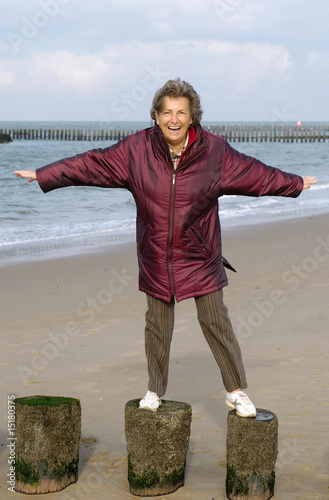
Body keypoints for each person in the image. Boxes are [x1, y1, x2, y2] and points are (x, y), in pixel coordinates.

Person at [15, 78, 317, 417]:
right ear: (156, 116)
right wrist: (44, 174)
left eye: (182, 112)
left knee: (216, 321)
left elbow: (254, 174)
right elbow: (91, 164)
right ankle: (154, 390)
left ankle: (236, 391)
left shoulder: (214, 152)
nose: (174, 119)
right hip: (157, 252)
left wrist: (294, 183)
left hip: (200, 253)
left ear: (192, 117)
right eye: (167, 112)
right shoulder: (136, 150)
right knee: (157, 326)